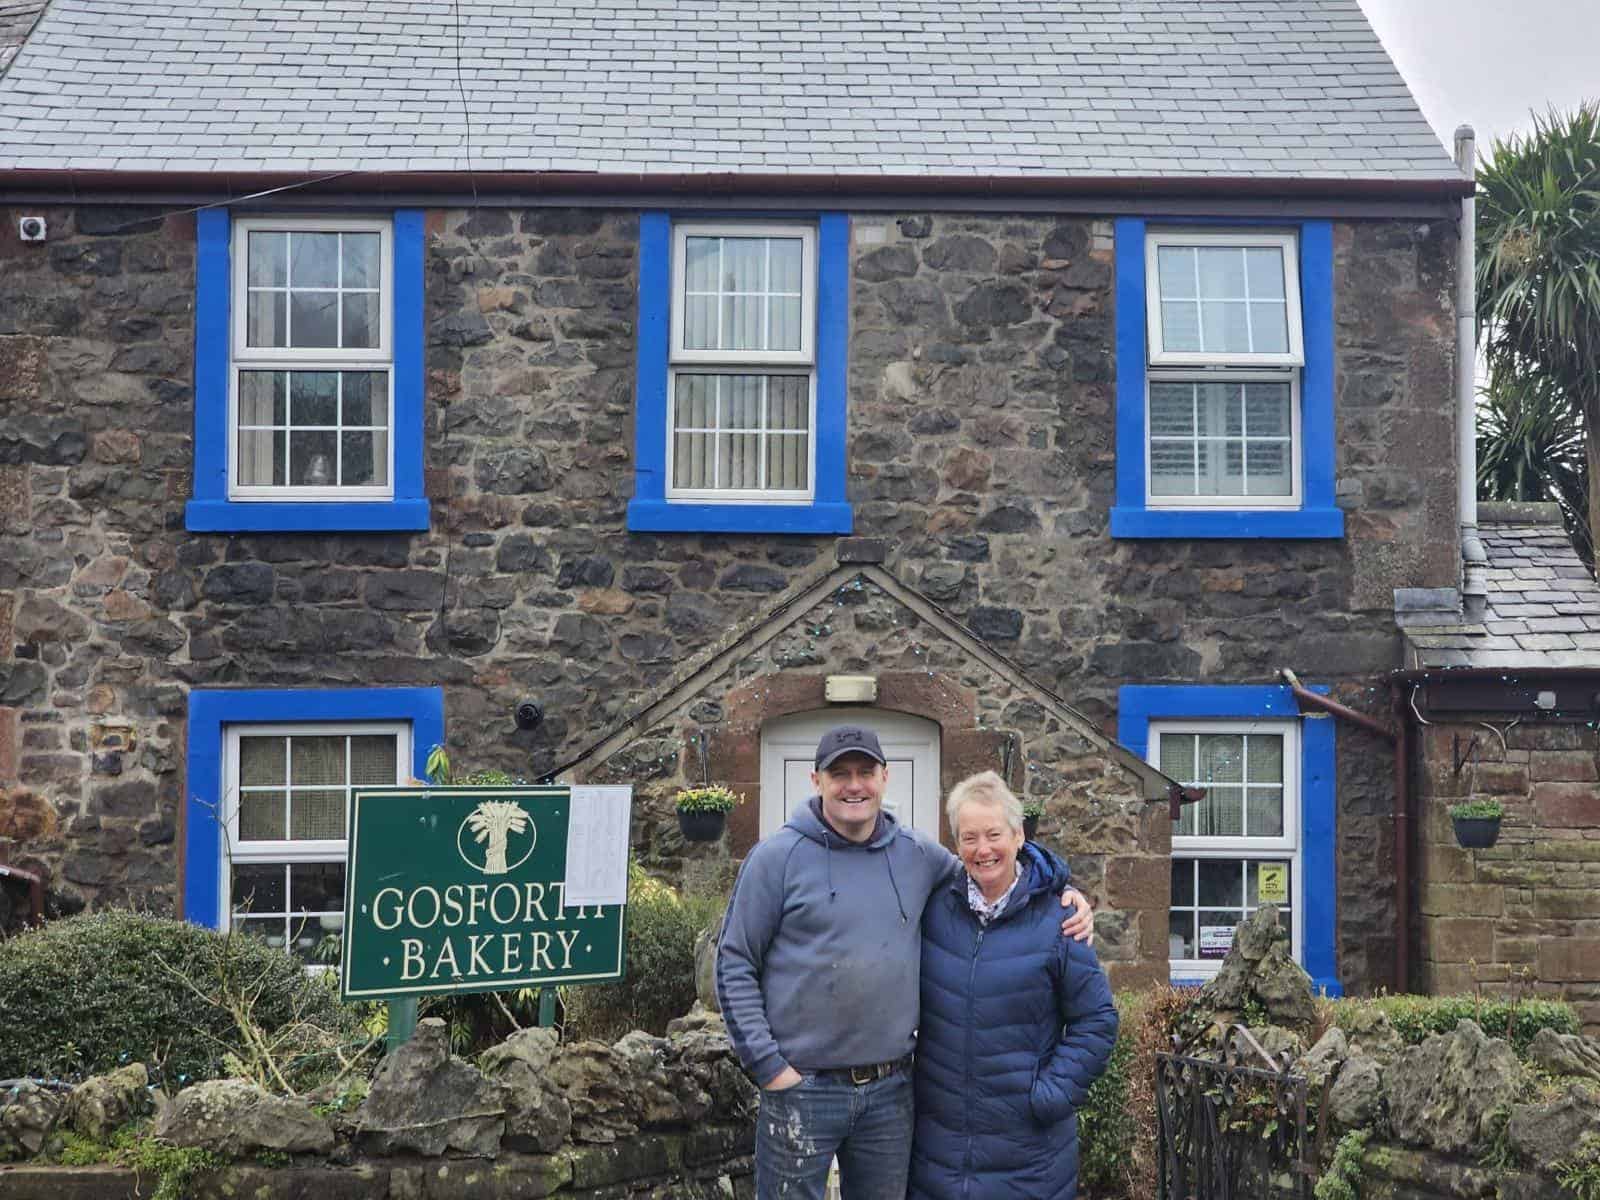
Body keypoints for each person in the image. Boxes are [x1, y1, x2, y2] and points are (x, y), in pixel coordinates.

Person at [715, 725, 1094, 1200]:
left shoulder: (917, 854)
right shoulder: (775, 859)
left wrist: (1061, 890)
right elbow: (734, 961)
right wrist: (768, 1066)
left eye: (865, 772)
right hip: (802, 1088)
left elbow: (992, 871)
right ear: (816, 781)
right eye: (840, 774)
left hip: (889, 1094)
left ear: (884, 777)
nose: (854, 785)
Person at [910, 771, 1118, 1200]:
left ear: (1019, 835)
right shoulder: (932, 908)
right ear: (956, 844)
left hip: (1030, 1158)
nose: (983, 849)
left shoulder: (1060, 918)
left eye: (994, 834)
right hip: (939, 1154)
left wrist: (1049, 1096)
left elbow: (1096, 1021)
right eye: (969, 838)